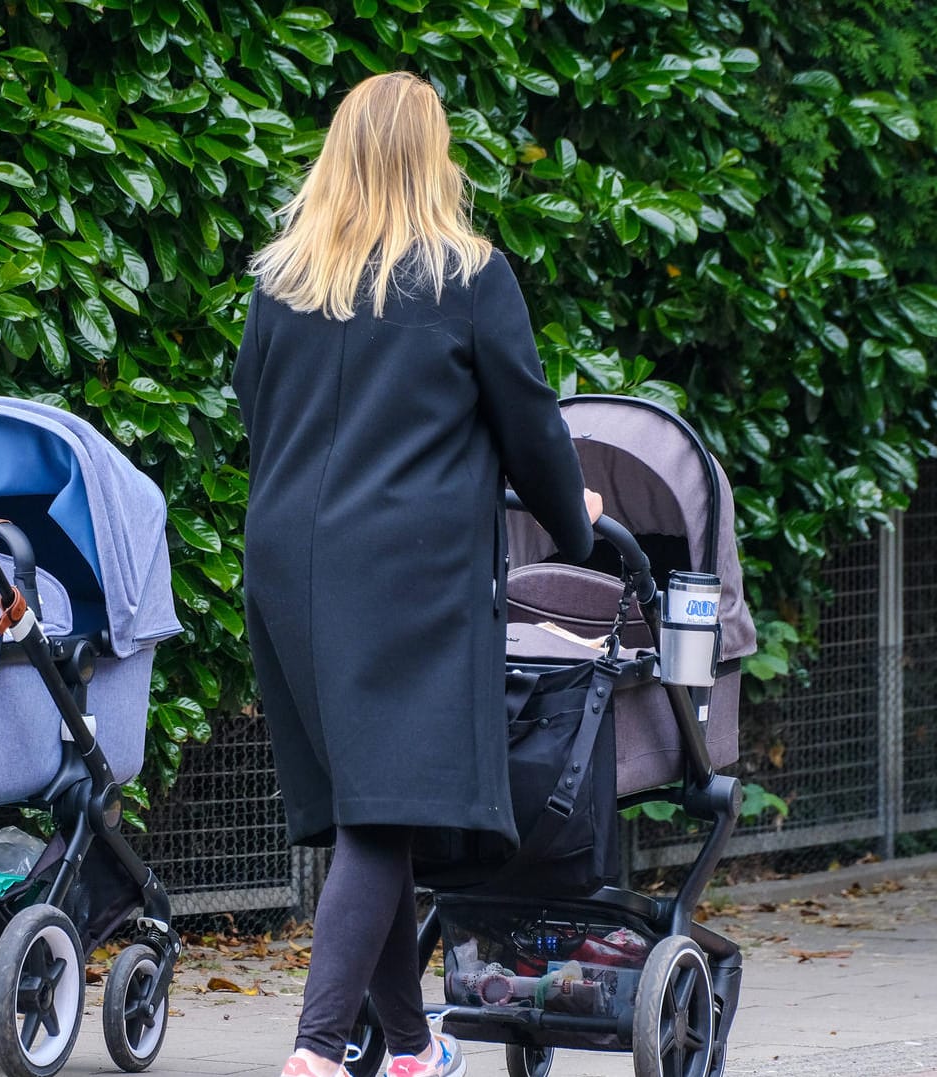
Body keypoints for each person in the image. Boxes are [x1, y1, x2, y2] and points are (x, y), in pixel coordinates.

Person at [232, 72, 602, 1077]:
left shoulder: (281, 282)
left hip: (289, 567)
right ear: (430, 159)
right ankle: (314, 1054)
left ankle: (408, 1049)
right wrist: (578, 525)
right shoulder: (469, 277)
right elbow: (529, 424)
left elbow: (253, 416)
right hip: (406, 576)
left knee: (370, 809)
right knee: (382, 809)